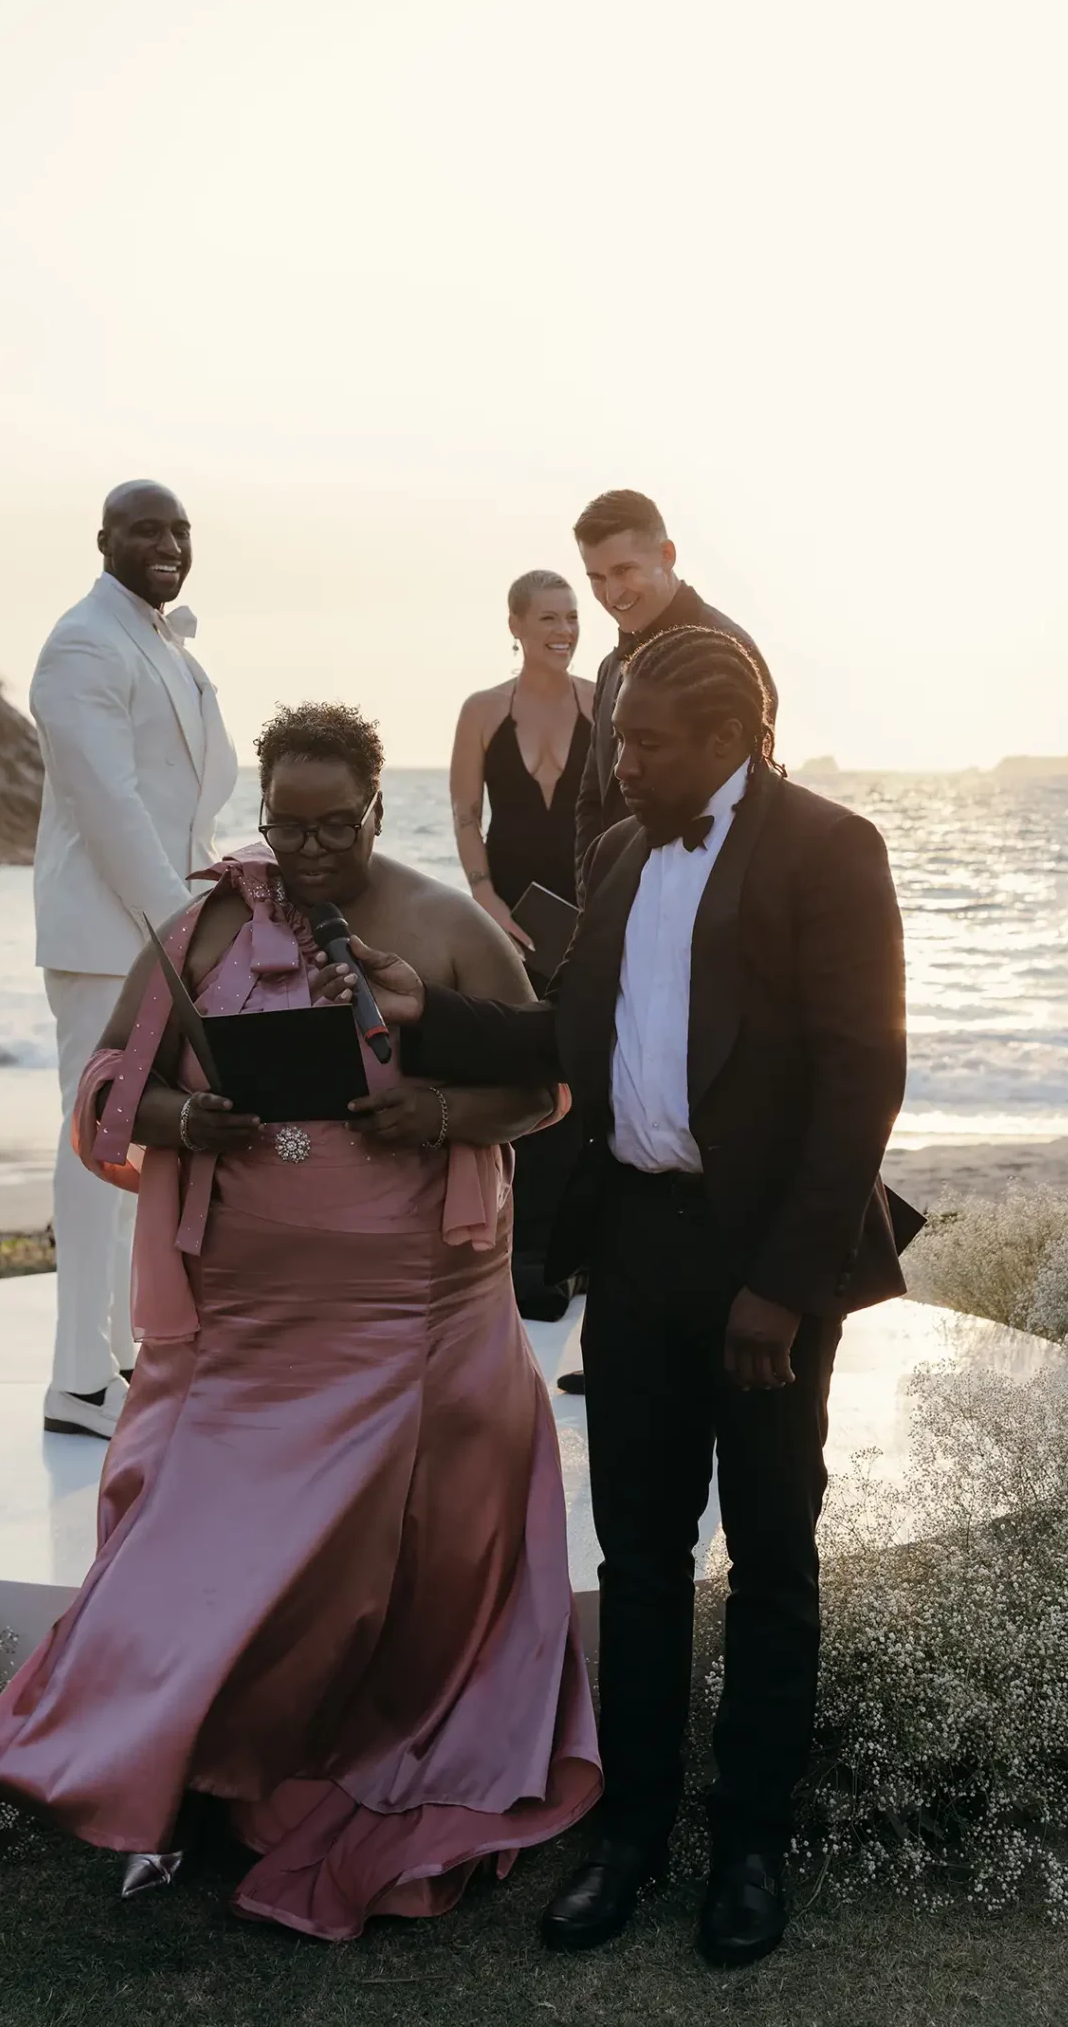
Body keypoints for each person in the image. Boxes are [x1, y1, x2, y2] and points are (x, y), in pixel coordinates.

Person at [0, 702, 601, 1940]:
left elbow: (540, 1086)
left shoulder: (449, 924)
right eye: (284, 825)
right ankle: (164, 1775)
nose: (303, 850)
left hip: (414, 1314)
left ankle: (324, 1769)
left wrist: (443, 1117)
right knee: (189, 1534)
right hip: (246, 1317)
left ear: (376, 809)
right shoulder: (208, 925)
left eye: (331, 825)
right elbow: (106, 1085)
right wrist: (186, 1125)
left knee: (366, 1561)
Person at [321, 629, 913, 1970]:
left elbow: (858, 1085)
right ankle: (631, 1832)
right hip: (637, 1258)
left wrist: (777, 1287)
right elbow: (568, 1037)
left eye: (640, 743)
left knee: (768, 1562)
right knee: (637, 1562)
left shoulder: (830, 850)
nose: (617, 761)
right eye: (615, 737)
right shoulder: (618, 853)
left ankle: (748, 1844)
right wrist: (429, 1012)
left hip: (766, 1263)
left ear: (725, 742)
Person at [29, 481, 237, 1439]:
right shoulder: (82, 644)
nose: (167, 543)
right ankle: (75, 1382)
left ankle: (118, 1354)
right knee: (91, 1145)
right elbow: (108, 806)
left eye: (179, 529)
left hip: (158, 926)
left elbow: (184, 801)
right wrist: (178, 921)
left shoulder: (163, 643)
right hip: (107, 937)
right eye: (146, 529)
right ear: (103, 538)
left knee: (133, 1147)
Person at [450, 569, 594, 1319]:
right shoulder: (481, 711)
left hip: (588, 915)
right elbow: (465, 815)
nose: (564, 629)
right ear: (515, 624)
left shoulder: (603, 702)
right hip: (506, 918)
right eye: (548, 617)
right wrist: (483, 899)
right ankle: (522, 1249)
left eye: (571, 616)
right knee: (522, 1066)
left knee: (584, 1069)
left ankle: (574, 1250)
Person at [571, 488, 772, 890]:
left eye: (625, 570)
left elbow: (748, 800)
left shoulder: (729, 651)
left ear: (667, 555)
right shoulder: (610, 666)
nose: (611, 594)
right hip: (617, 901)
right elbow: (593, 797)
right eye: (597, 578)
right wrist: (593, 891)